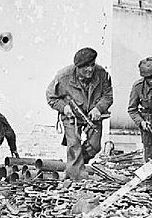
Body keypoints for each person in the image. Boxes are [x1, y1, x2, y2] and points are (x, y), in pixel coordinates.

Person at [46, 47, 113, 180]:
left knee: (95, 146)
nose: (90, 69)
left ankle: (75, 164)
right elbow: (50, 97)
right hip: (71, 116)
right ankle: (76, 179)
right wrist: (64, 108)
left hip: (93, 116)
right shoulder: (63, 76)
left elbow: (108, 96)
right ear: (77, 67)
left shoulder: (101, 74)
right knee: (74, 145)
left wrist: (98, 108)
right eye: (85, 67)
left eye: (92, 65)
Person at [128, 56, 152, 162]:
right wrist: (141, 122)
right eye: (149, 77)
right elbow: (132, 110)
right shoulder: (138, 87)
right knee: (149, 152)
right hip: (149, 123)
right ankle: (150, 177)